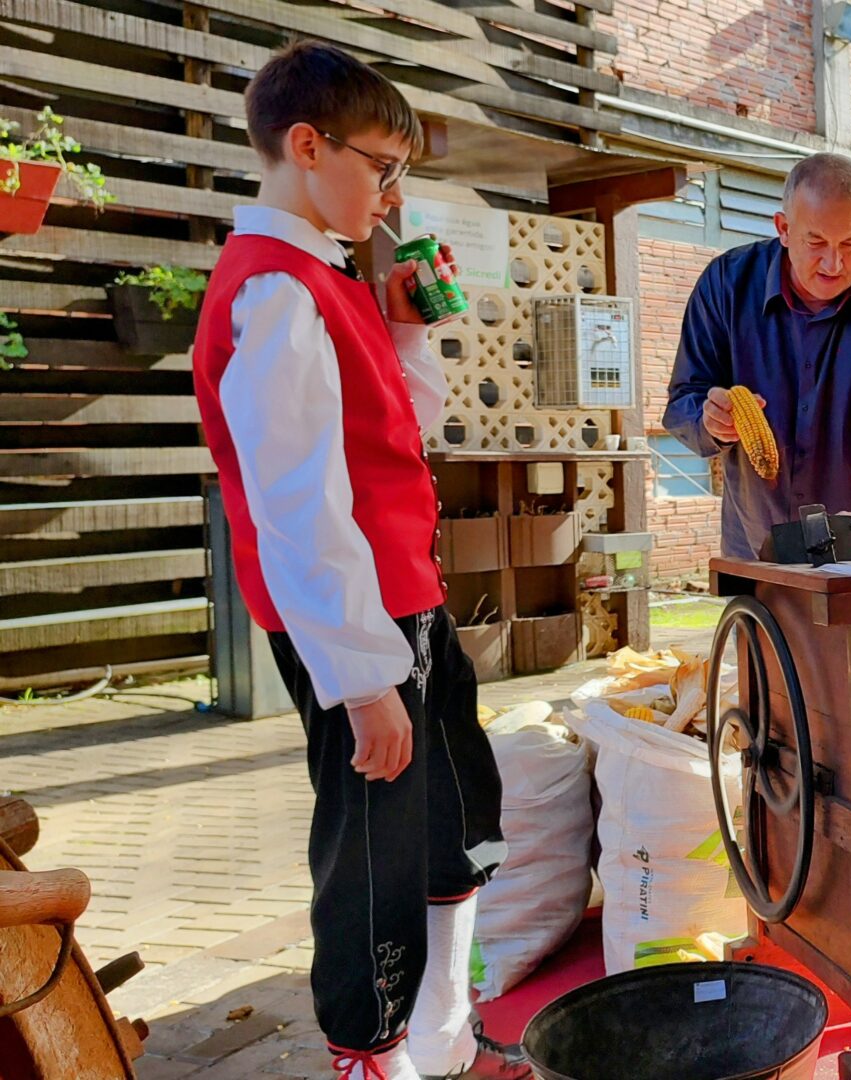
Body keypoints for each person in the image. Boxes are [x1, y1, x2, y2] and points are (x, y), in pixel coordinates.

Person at [192, 42, 521, 1080]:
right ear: (305, 145)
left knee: (451, 825)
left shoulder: (326, 279)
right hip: (360, 625)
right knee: (371, 860)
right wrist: (363, 675)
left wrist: (410, 333)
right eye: (382, 166)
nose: (392, 194)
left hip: (402, 605)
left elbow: (396, 438)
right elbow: (295, 504)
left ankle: (444, 1044)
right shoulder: (275, 290)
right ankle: (371, 1058)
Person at [661, 152, 851, 559]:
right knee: (759, 626)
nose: (834, 262)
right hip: (756, 543)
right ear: (784, 228)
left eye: (850, 243)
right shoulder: (726, 286)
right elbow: (684, 399)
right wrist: (710, 419)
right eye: (816, 242)